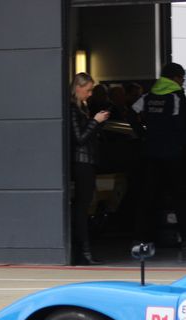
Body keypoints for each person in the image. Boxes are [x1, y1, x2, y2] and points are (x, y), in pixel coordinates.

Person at [132, 62, 186, 249]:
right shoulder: (176, 96)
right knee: (180, 196)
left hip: (151, 153)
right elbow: (181, 125)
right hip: (172, 154)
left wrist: (143, 133)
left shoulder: (148, 96)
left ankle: (141, 238)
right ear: (175, 78)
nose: (183, 81)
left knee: (148, 197)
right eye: (182, 78)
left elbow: (131, 112)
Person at [69, 72, 109, 265]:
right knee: (81, 207)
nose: (90, 93)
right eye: (88, 89)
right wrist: (95, 121)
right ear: (78, 88)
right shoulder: (73, 109)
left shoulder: (81, 107)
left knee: (83, 206)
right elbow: (79, 138)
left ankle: (84, 251)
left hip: (86, 161)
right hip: (82, 162)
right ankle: (83, 252)